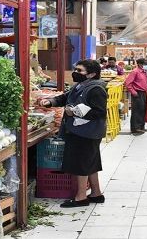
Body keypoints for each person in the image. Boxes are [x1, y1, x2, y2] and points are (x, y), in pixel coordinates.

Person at [39, 60, 107, 207]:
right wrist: (50, 102)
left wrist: (75, 112)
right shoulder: (81, 85)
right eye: (75, 69)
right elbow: (65, 97)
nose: (75, 72)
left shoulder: (96, 89)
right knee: (91, 162)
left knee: (80, 164)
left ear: (92, 74)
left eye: (80, 70)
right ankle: (96, 193)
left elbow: (100, 112)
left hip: (87, 132)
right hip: (82, 131)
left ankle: (81, 197)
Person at [125, 58, 147, 135]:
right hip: (137, 93)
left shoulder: (144, 72)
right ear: (139, 64)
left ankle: (141, 126)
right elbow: (127, 83)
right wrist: (133, 92)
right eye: (145, 64)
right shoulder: (135, 72)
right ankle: (135, 128)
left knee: (143, 110)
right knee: (137, 111)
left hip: (144, 93)